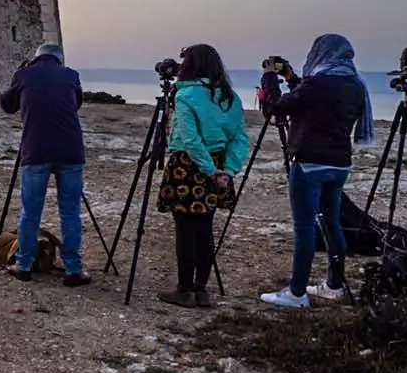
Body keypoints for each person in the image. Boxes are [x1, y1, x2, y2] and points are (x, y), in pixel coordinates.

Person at [258, 34, 373, 308]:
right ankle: (335, 284)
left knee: (305, 227)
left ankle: (297, 292)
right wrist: (290, 76)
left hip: (309, 162)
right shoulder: (355, 85)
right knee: (331, 223)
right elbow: (308, 98)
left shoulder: (318, 83)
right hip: (339, 164)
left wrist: (269, 78)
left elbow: (276, 107)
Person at [154, 44, 249, 308]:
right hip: (218, 165)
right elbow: (240, 138)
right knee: (205, 228)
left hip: (188, 165)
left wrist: (209, 168)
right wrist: (227, 170)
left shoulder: (186, 96)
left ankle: (185, 289)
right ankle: (201, 289)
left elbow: (189, 137)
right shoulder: (231, 97)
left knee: (185, 229)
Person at [0, 42, 92, 286]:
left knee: (31, 212)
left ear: (36, 58)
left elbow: (8, 105)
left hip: (36, 149)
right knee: (70, 212)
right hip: (71, 151)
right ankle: (73, 269)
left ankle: (24, 265)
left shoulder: (24, 75)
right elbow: (77, 103)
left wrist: (18, 77)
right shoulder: (72, 75)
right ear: (60, 60)